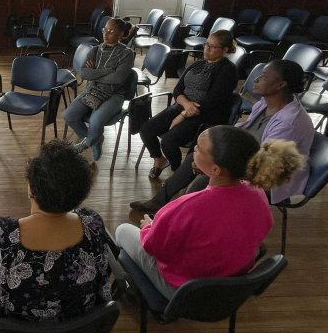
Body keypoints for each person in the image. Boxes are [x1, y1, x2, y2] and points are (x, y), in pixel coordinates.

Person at [116, 126, 304, 298]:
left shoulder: (186, 206)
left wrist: (148, 227)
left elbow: (154, 248)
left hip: (184, 291)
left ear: (215, 169)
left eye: (198, 148)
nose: (194, 150)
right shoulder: (258, 194)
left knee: (122, 230)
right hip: (230, 288)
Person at [130, 59, 315, 213]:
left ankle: (178, 216)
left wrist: (214, 164)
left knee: (208, 175)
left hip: (270, 176)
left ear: (281, 85)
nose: (256, 79)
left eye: (264, 76)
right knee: (200, 153)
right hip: (249, 157)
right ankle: (166, 205)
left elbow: (265, 165)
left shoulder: (288, 123)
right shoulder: (266, 103)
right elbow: (243, 130)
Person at [0, 140, 111, 321]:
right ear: (81, 194)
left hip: (16, 330)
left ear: (31, 189)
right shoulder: (92, 224)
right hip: (80, 324)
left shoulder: (1, 234)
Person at [138, 30, 239, 179]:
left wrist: (184, 114)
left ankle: (177, 172)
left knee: (168, 141)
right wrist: (185, 106)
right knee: (146, 129)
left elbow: (212, 101)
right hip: (184, 107)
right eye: (206, 45)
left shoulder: (228, 70)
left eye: (212, 47)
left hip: (206, 115)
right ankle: (159, 159)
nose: (206, 49)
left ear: (224, 50)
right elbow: (178, 90)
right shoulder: (198, 64)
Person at [62, 18, 135, 161]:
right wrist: (107, 70)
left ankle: (88, 142)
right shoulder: (95, 50)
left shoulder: (126, 53)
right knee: (69, 115)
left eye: (111, 31)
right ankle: (95, 140)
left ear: (121, 35)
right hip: (92, 90)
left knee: (96, 121)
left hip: (114, 95)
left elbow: (118, 79)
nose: (106, 34)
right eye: (104, 30)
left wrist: (95, 73)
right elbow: (84, 73)